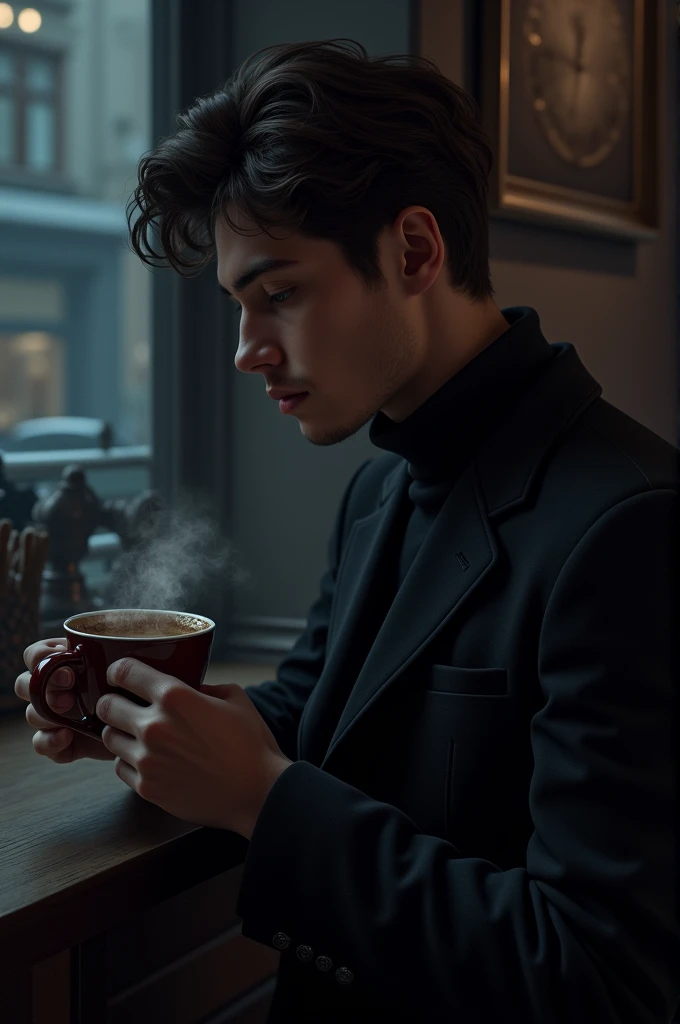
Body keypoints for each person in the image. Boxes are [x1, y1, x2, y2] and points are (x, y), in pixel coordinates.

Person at [15, 39, 680, 1024]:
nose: (247, 351)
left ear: (413, 251)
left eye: (277, 294)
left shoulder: (631, 526)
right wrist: (140, 711)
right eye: (239, 307)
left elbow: (597, 981)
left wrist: (261, 799)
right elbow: (328, 710)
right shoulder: (378, 490)